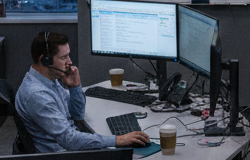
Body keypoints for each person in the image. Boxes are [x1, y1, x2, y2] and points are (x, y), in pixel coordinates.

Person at [15, 30, 150, 153]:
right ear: (45, 60)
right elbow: (70, 141)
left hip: (69, 147)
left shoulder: (50, 80)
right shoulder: (38, 95)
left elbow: (77, 115)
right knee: (127, 158)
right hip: (62, 159)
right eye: (63, 57)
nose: (70, 62)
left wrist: (75, 87)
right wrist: (118, 140)